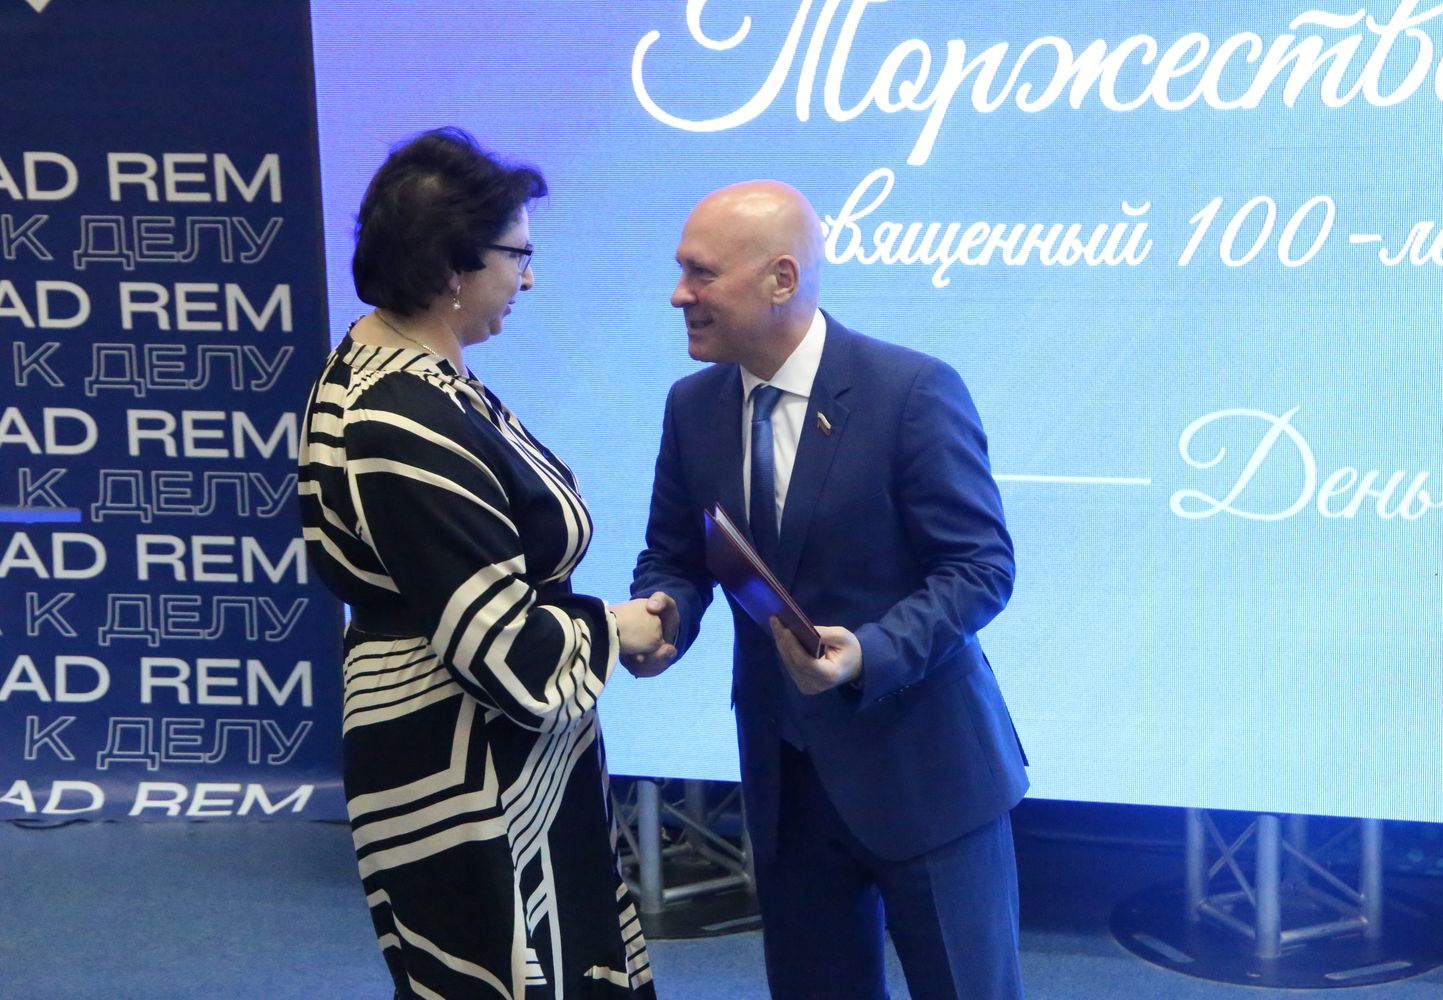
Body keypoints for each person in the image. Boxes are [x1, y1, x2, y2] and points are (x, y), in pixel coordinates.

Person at [629, 181, 1029, 1000]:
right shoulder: (691, 406)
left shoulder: (911, 391)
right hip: (787, 784)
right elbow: (675, 555)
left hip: (927, 776)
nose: (679, 295)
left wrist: (866, 654)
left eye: (702, 274)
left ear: (782, 278)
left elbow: (981, 567)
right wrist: (665, 613)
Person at [298, 127, 663, 1000]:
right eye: (516, 256)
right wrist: (619, 627)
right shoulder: (399, 412)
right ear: (451, 267)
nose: (527, 279)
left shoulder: (404, 372)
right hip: (466, 768)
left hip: (477, 754)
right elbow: (500, 648)